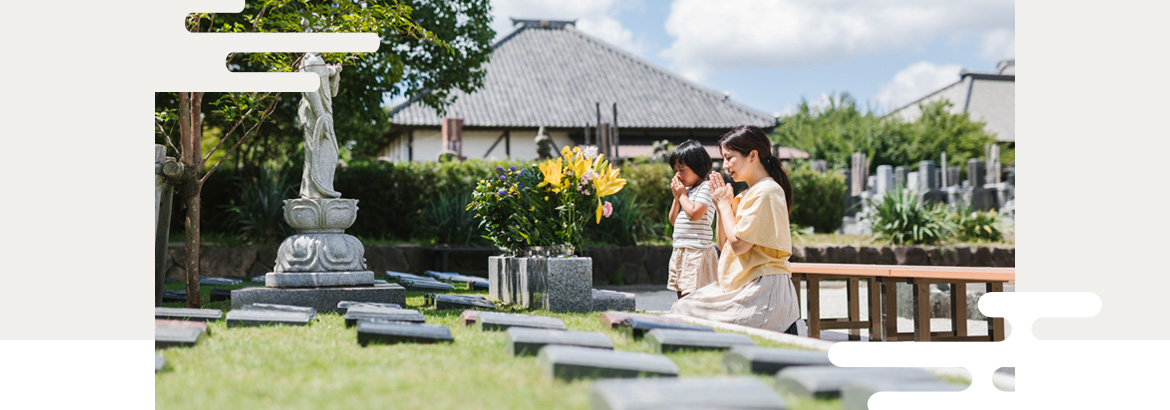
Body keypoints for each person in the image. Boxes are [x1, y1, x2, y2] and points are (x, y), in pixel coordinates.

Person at [670, 125, 802, 335]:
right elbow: (726, 245)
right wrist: (723, 205)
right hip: (745, 286)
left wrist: (723, 205)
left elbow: (740, 245)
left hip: (763, 291)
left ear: (752, 156)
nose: (725, 166)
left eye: (729, 157)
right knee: (681, 309)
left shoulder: (767, 191)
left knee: (683, 312)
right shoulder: (749, 194)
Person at [666, 140, 719, 299]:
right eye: (675, 170)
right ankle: (685, 320)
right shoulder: (686, 191)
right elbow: (673, 220)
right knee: (681, 292)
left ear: (698, 166)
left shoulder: (706, 187)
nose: (678, 175)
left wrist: (682, 195)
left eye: (682, 169)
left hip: (697, 251)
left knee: (692, 295)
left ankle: (693, 320)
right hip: (680, 250)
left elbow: (695, 213)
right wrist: (677, 198)